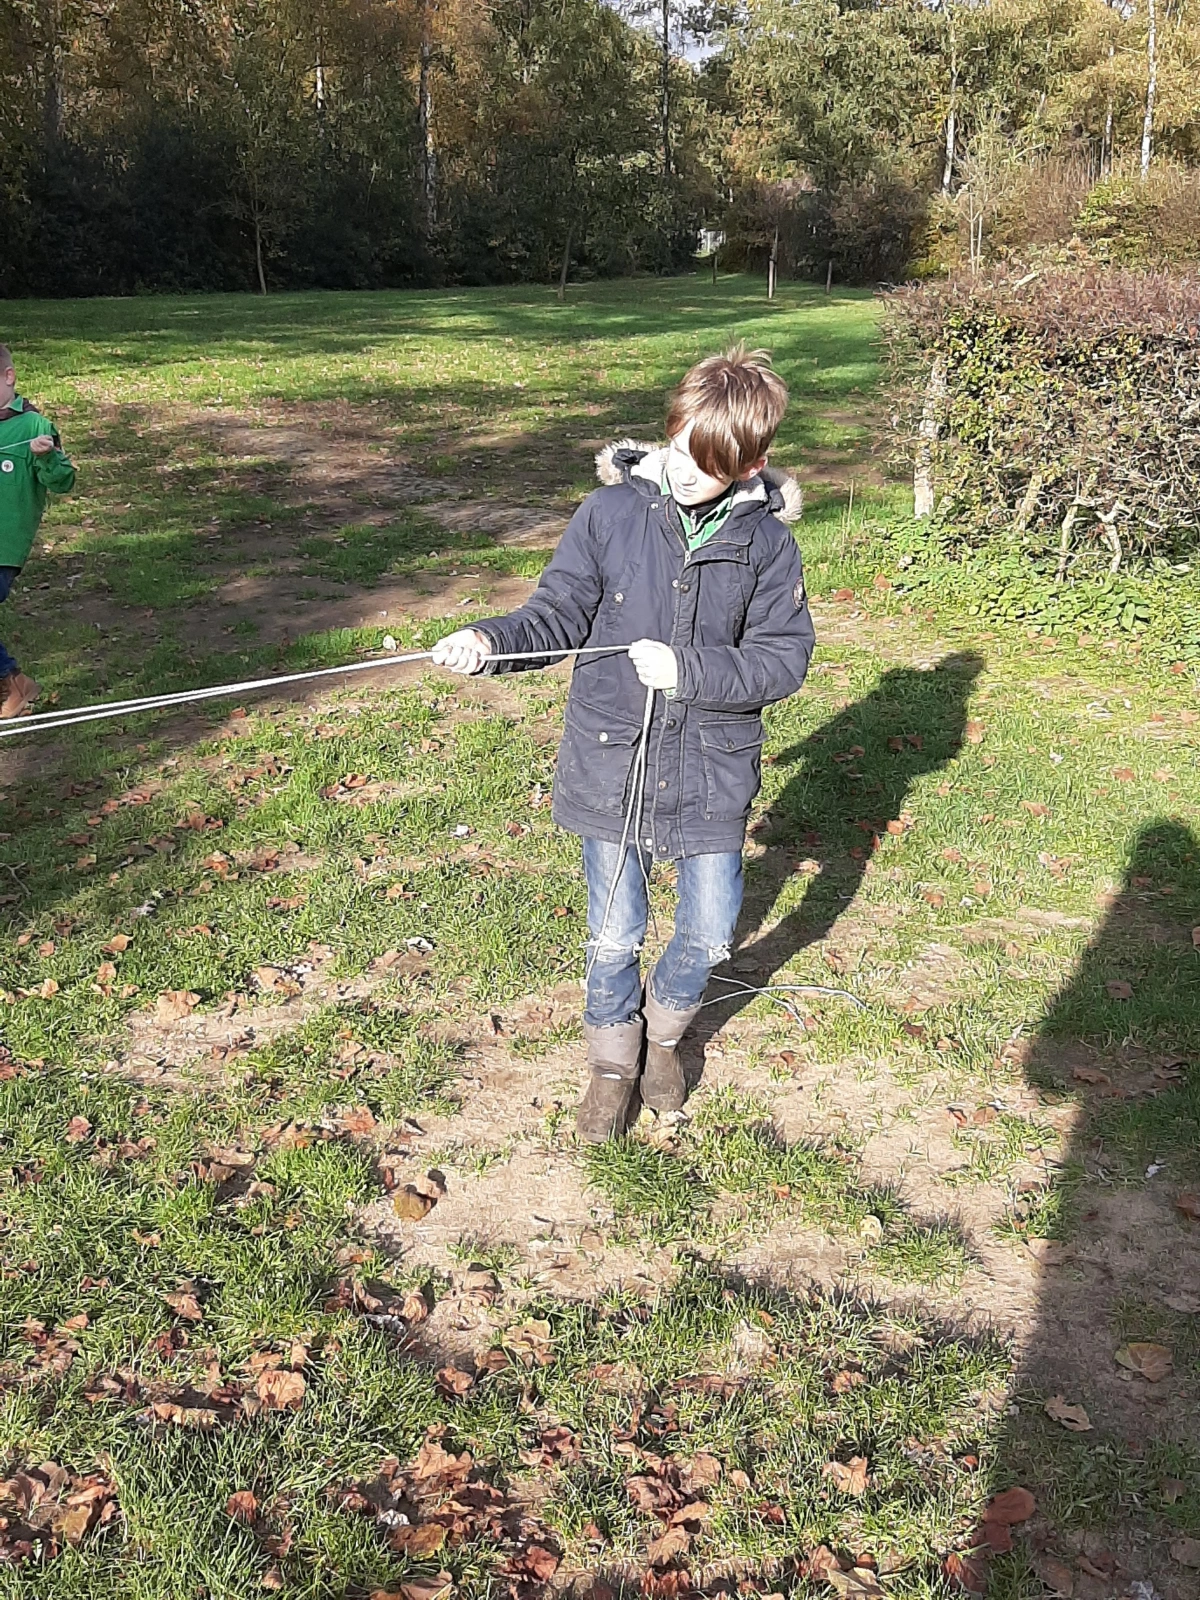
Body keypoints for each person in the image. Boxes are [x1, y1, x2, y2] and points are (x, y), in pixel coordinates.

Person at [432, 346, 814, 1142]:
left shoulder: (767, 546)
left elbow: (784, 658)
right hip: (613, 757)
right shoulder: (608, 516)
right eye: (677, 453)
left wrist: (689, 669)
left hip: (710, 768)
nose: (682, 475)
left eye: (706, 469)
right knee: (614, 931)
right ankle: (612, 1063)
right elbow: (557, 614)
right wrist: (486, 641)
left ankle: (664, 1039)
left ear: (751, 464)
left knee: (710, 929)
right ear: (668, 433)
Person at [0, 343, 76, 719]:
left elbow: (63, 482)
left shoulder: (35, 426)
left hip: (4, 545)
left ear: (9, 377)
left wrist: (46, 456)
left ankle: (14, 681)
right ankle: (15, 682)